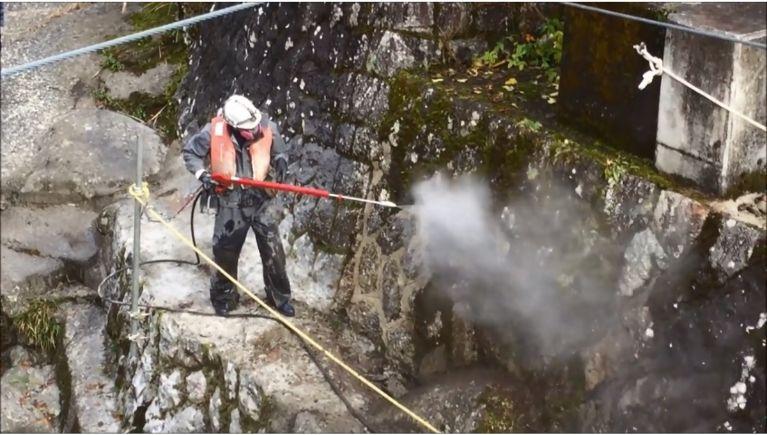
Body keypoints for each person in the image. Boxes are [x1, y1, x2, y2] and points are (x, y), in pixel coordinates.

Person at [182, 95, 295, 317]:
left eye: (255, 128)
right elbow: (190, 153)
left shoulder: (267, 126)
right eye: (247, 131)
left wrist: (281, 161)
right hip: (230, 202)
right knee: (225, 252)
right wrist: (202, 174)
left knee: (274, 252)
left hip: (262, 199)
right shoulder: (211, 132)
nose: (254, 133)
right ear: (233, 127)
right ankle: (224, 298)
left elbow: (280, 150)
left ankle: (279, 297)